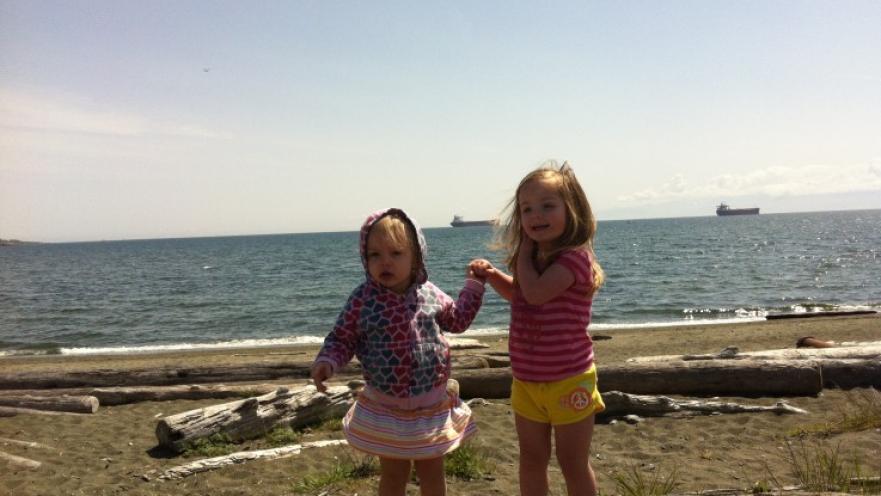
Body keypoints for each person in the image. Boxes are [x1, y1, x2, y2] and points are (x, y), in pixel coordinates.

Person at [311, 208, 485, 496]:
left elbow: (457, 319)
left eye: (396, 253)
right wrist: (327, 361)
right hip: (386, 404)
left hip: (431, 402)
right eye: (374, 255)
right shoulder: (362, 299)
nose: (385, 262)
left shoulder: (429, 293)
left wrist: (474, 285)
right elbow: (342, 338)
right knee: (393, 474)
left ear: (416, 256)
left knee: (432, 471)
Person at [470, 161, 606, 496]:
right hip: (527, 380)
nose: (536, 216)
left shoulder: (575, 258)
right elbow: (521, 296)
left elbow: (535, 292)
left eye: (548, 206)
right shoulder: (535, 261)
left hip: (569, 379)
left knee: (572, 462)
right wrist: (491, 276)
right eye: (527, 209)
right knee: (531, 458)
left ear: (572, 210)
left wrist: (523, 256)